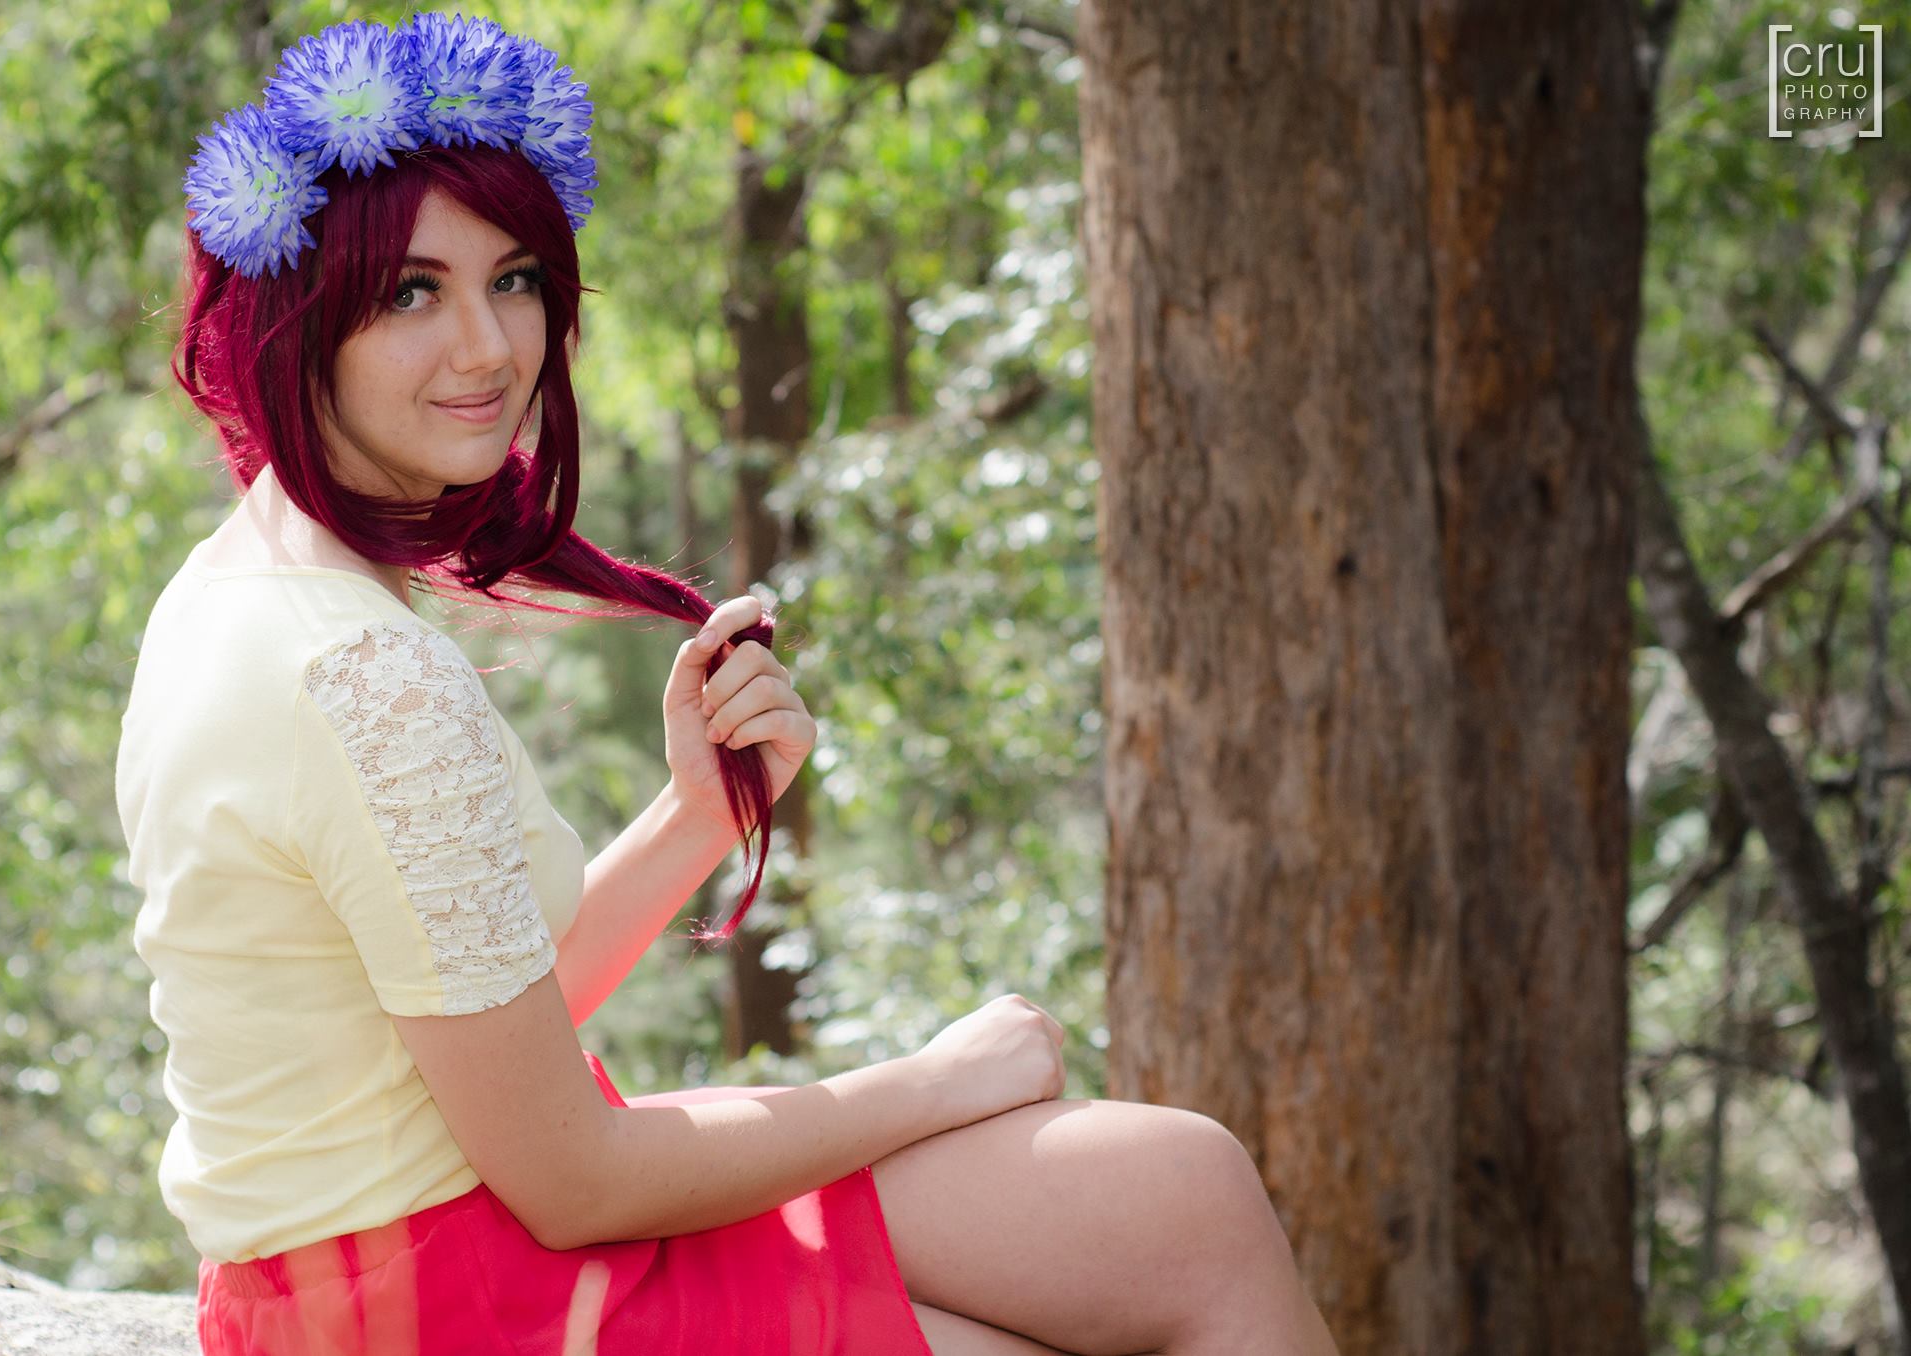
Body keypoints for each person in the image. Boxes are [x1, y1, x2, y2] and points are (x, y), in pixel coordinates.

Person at [113, 14, 1341, 1356]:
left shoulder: (230, 591)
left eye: (513, 279)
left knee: (1183, 1189)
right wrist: (937, 1079)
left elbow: (468, 1027)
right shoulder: (363, 673)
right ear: (298, 321)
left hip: (368, 1281)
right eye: (411, 292)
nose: (488, 348)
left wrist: (697, 815)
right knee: (1126, 1252)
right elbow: (574, 1184)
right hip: (460, 1305)